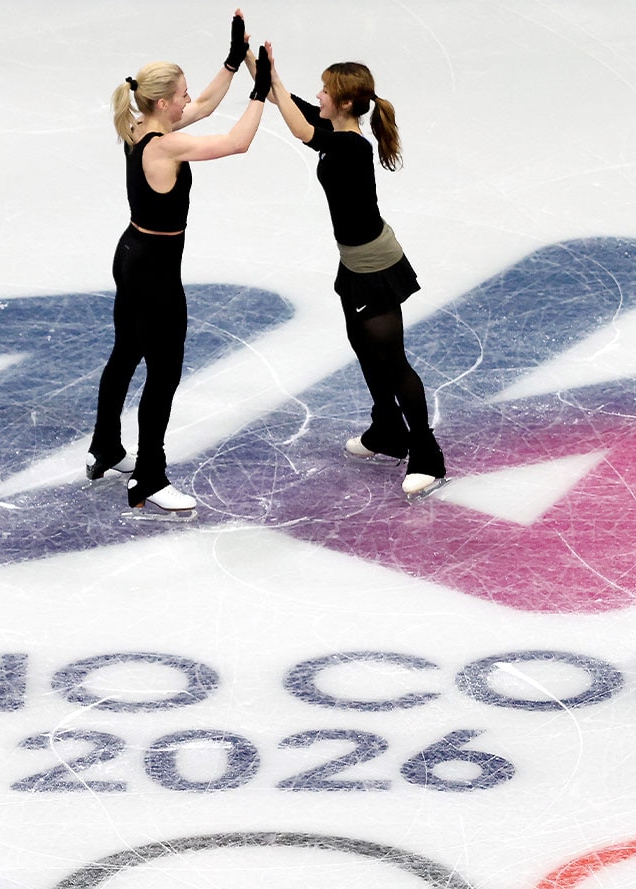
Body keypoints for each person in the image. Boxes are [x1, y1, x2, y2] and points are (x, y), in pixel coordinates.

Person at [90, 14, 271, 520]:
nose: (190, 100)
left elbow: (209, 104)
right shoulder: (166, 145)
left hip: (131, 255)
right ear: (165, 101)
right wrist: (260, 92)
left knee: (127, 351)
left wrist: (234, 62)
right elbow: (237, 141)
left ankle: (105, 447)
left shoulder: (142, 127)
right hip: (154, 272)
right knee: (164, 373)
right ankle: (150, 475)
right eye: (183, 94)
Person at [259, 50, 445, 498]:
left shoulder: (350, 146)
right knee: (362, 345)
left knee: (392, 360)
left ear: (343, 104)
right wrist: (262, 70)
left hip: (375, 266)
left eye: (325, 90)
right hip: (354, 261)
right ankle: (386, 429)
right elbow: (297, 108)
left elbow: (301, 128)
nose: (318, 94)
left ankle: (427, 454)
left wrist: (272, 83)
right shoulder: (337, 131)